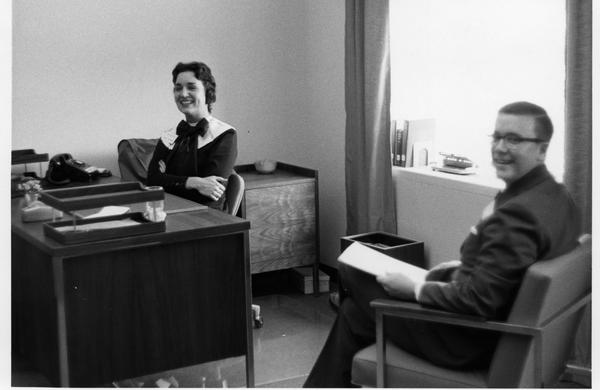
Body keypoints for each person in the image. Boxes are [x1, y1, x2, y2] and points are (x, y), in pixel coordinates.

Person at [304, 101, 581, 388]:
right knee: (353, 315)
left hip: (466, 338)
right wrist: (457, 268)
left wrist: (416, 289)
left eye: (514, 139)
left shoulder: (517, 215)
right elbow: (506, 273)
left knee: (352, 268)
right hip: (497, 326)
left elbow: (479, 301)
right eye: (496, 137)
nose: (500, 148)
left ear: (542, 149)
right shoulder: (557, 196)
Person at [147, 61, 237, 210]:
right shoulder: (169, 136)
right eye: (178, 88)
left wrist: (169, 180)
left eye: (191, 87)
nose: (183, 94)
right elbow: (152, 181)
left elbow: (209, 195)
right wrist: (195, 182)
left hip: (207, 219)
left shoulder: (225, 135)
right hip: (170, 213)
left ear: (208, 92)